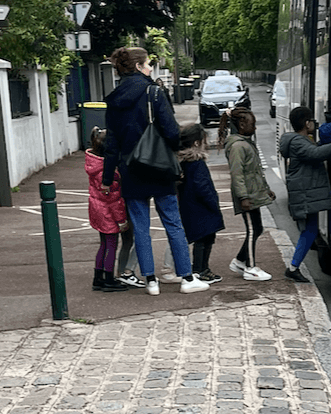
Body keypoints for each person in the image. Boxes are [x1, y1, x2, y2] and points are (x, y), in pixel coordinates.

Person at [101, 46, 209, 296]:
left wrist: (107, 179)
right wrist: (174, 152)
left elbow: (111, 144)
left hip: (130, 169)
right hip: (158, 166)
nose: (151, 67)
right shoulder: (154, 92)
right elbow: (171, 132)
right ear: (138, 67)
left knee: (140, 226)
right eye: (148, 63)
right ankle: (187, 277)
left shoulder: (114, 99)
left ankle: (150, 281)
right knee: (173, 221)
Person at [279, 106, 331, 283]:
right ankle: (293, 267)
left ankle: (294, 267)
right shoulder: (298, 142)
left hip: (307, 190)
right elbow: (315, 154)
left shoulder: (302, 140)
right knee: (310, 229)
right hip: (305, 192)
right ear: (306, 123)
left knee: (310, 230)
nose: (314, 124)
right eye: (312, 120)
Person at [221, 106, 276, 281]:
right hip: (247, 196)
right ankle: (250, 267)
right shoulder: (238, 146)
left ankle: (239, 261)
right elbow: (237, 174)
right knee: (252, 230)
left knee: (257, 228)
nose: (255, 128)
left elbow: (256, 171)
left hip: (253, 194)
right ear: (242, 125)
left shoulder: (245, 143)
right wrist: (243, 197)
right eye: (252, 124)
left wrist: (266, 190)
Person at [176, 123, 226, 283]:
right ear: (197, 143)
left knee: (202, 239)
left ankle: (201, 268)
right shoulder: (196, 163)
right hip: (202, 207)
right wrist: (213, 203)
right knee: (204, 239)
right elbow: (202, 186)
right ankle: (200, 269)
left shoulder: (184, 162)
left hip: (190, 206)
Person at [86, 127, 129, 292]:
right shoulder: (108, 173)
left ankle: (98, 277)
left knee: (103, 244)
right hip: (108, 213)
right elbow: (114, 201)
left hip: (97, 210)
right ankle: (109, 278)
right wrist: (122, 221)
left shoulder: (93, 165)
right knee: (111, 245)